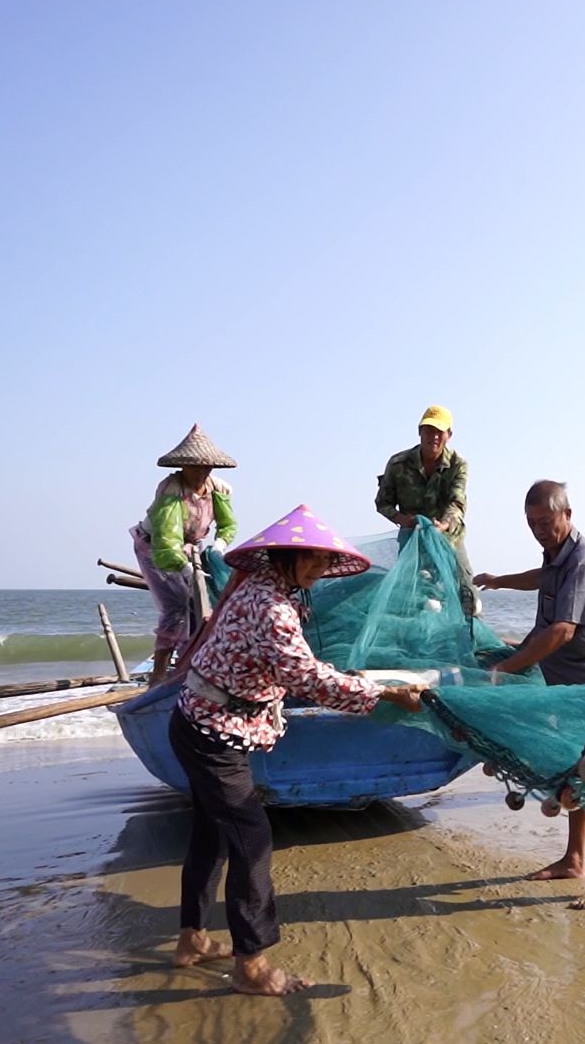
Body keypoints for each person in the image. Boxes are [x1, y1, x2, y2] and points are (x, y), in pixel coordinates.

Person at [169, 504, 426, 996]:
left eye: (324, 562)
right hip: (212, 729)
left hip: (198, 720)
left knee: (211, 833)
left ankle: (192, 940)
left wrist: (348, 681)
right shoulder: (270, 605)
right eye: (308, 558)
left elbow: (297, 667)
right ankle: (251, 965)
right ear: (285, 556)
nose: (317, 569)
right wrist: (382, 694)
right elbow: (305, 677)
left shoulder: (267, 588)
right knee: (251, 838)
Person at [471, 480, 585, 909]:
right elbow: (540, 577)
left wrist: (508, 668)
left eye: (546, 521)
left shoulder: (583, 561)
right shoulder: (556, 554)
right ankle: (574, 859)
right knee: (578, 768)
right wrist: (499, 581)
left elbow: (561, 631)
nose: (539, 529)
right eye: (532, 523)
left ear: (568, 514)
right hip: (564, 680)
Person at [133, 424, 239, 686]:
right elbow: (168, 538)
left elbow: (228, 525)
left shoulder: (218, 489)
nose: (201, 472)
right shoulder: (172, 490)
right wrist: (184, 567)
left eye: (207, 467)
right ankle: (158, 674)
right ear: (183, 466)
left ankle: (191, 661)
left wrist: (220, 544)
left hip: (192, 546)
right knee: (177, 605)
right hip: (156, 547)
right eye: (195, 466)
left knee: (203, 602)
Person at [375, 405, 475, 615]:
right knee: (418, 599)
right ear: (419, 432)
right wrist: (402, 519)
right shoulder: (398, 464)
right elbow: (382, 503)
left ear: (449, 435)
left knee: (468, 596)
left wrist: (444, 524)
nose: (434, 437)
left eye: (440, 432)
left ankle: (470, 639)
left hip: (449, 539)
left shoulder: (458, 465)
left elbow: (457, 503)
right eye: (429, 430)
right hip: (413, 541)